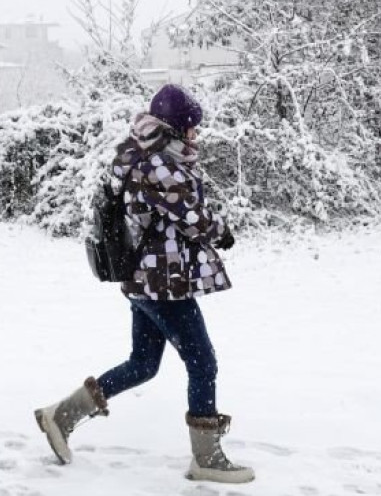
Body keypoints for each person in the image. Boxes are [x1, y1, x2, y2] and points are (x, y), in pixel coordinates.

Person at [34, 83, 254, 484]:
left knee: (143, 364)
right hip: (161, 282)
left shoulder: (146, 157)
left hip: (146, 278)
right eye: (191, 129)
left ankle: (60, 416)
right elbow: (192, 215)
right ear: (173, 129)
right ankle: (206, 458)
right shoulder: (157, 165)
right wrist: (220, 230)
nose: (196, 135)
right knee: (203, 362)